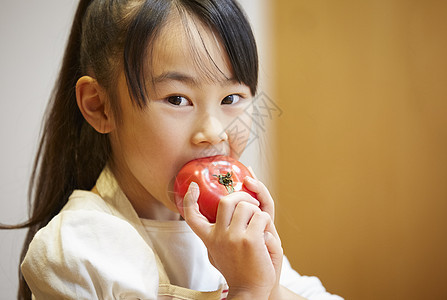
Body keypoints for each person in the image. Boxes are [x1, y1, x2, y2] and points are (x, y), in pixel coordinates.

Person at [7, 0, 344, 299]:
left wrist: (268, 283)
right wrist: (248, 292)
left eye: (231, 98)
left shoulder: (232, 231)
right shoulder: (75, 252)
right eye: (177, 99)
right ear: (100, 107)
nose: (213, 133)